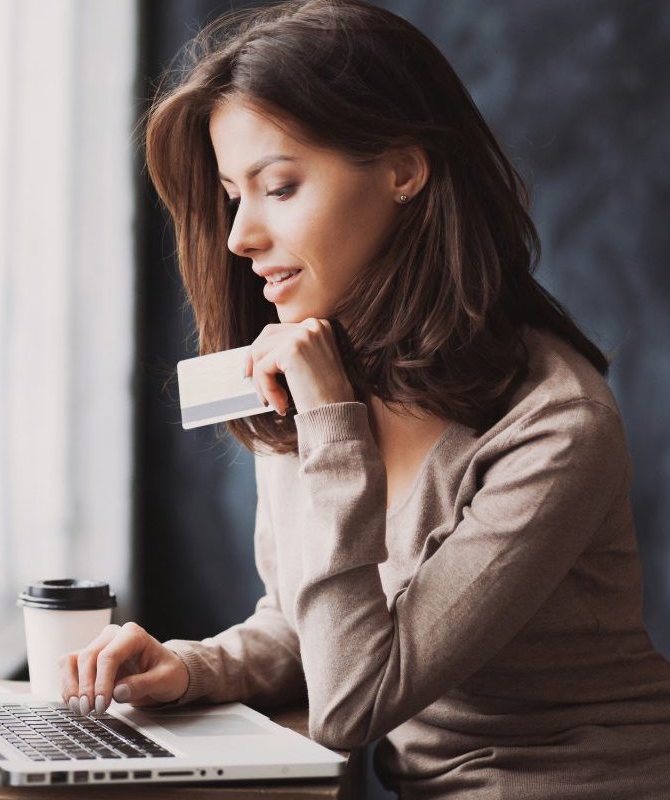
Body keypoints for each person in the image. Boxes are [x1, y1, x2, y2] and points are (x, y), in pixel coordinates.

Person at [58, 1, 670, 796]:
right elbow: (312, 623)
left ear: (404, 171)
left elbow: (354, 699)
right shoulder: (317, 367)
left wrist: (331, 426)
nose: (240, 234)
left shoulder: (555, 426)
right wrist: (191, 667)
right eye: (230, 195)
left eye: (278, 186)